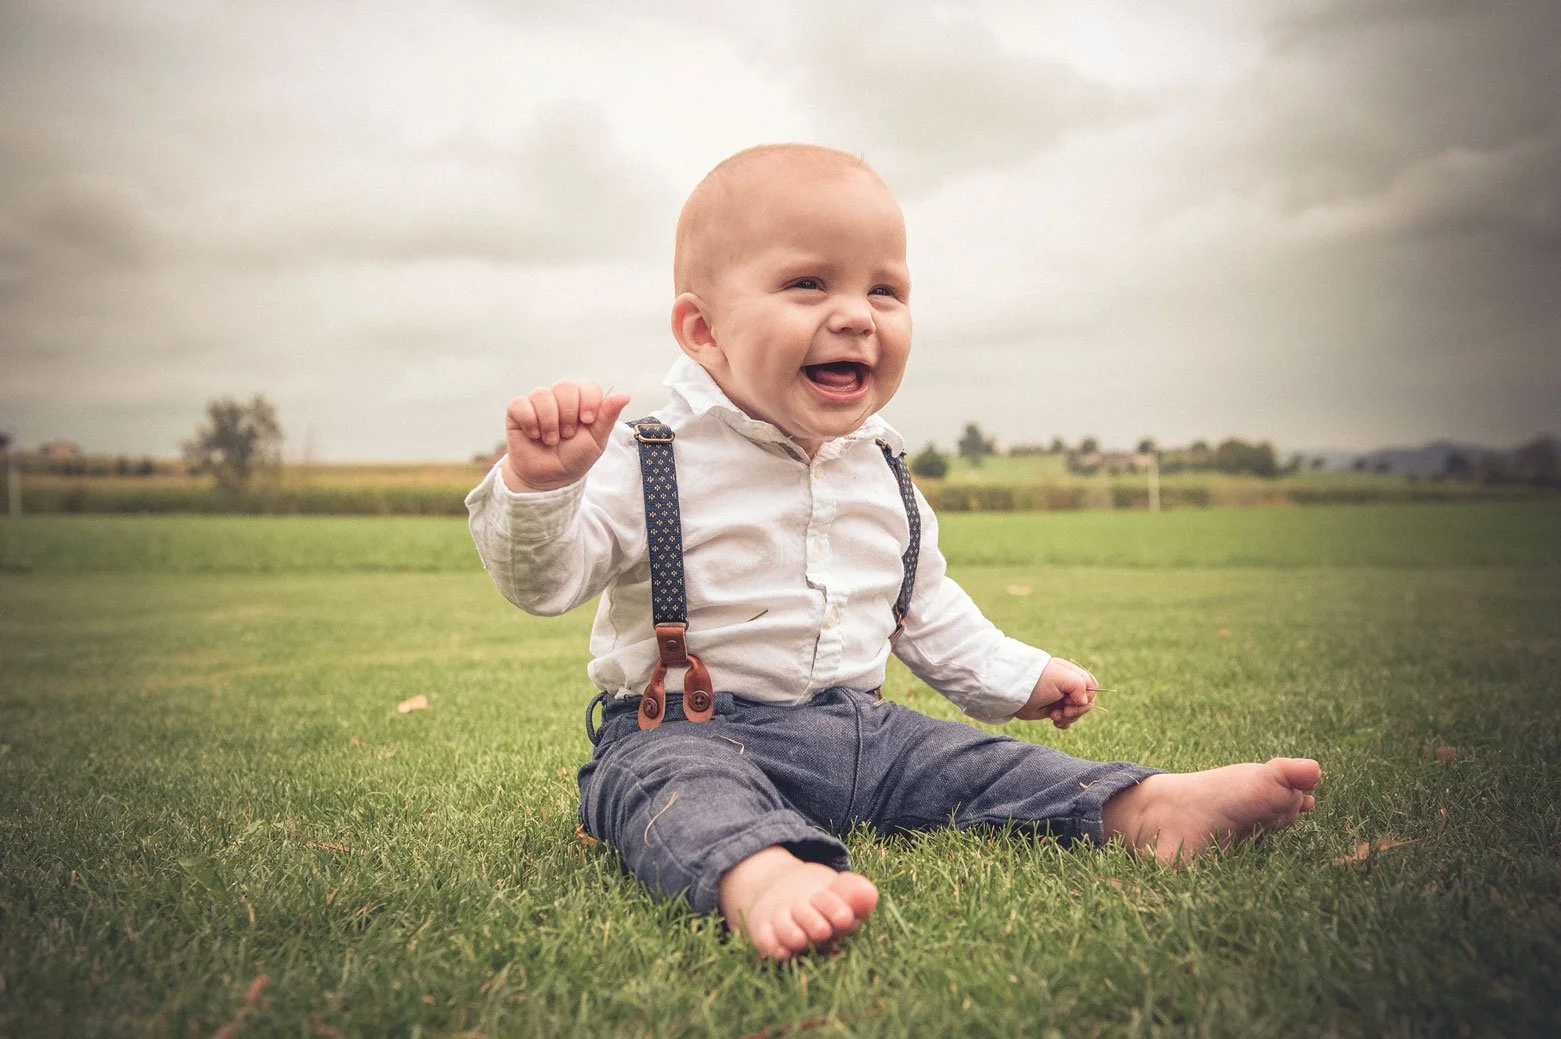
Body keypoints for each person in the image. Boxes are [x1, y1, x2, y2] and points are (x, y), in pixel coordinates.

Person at [467, 144, 1320, 962]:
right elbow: (547, 582)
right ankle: (760, 876)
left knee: (972, 764)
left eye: (885, 289)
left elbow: (923, 605)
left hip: (859, 732)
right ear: (702, 328)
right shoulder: (648, 453)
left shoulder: (882, 468)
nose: (854, 314)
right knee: (668, 795)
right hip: (685, 730)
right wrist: (542, 488)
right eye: (807, 283)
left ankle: (1145, 804)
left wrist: (1019, 675)